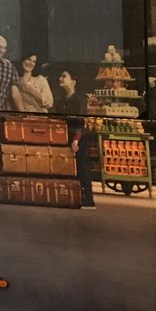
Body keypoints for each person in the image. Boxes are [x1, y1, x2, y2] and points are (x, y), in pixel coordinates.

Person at [53, 69, 95, 208]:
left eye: (64, 76)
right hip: (65, 137)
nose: (61, 78)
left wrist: (76, 140)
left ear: (73, 81)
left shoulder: (79, 100)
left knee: (82, 167)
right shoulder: (61, 101)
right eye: (60, 76)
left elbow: (80, 122)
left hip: (79, 138)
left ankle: (89, 199)